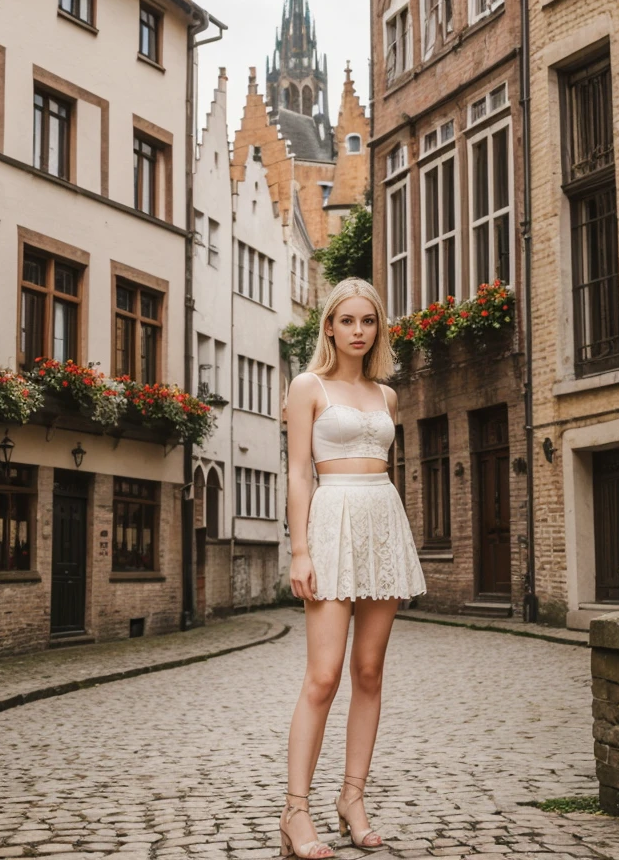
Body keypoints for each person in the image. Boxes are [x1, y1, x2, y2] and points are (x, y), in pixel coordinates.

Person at [279, 277, 426, 859]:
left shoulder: (387, 396)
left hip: (381, 520)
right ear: (330, 327)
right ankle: (295, 811)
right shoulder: (306, 386)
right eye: (348, 321)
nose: (359, 331)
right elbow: (297, 473)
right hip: (331, 521)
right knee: (323, 676)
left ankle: (352, 798)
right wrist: (299, 549)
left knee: (369, 672)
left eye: (369, 322)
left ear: (378, 328)